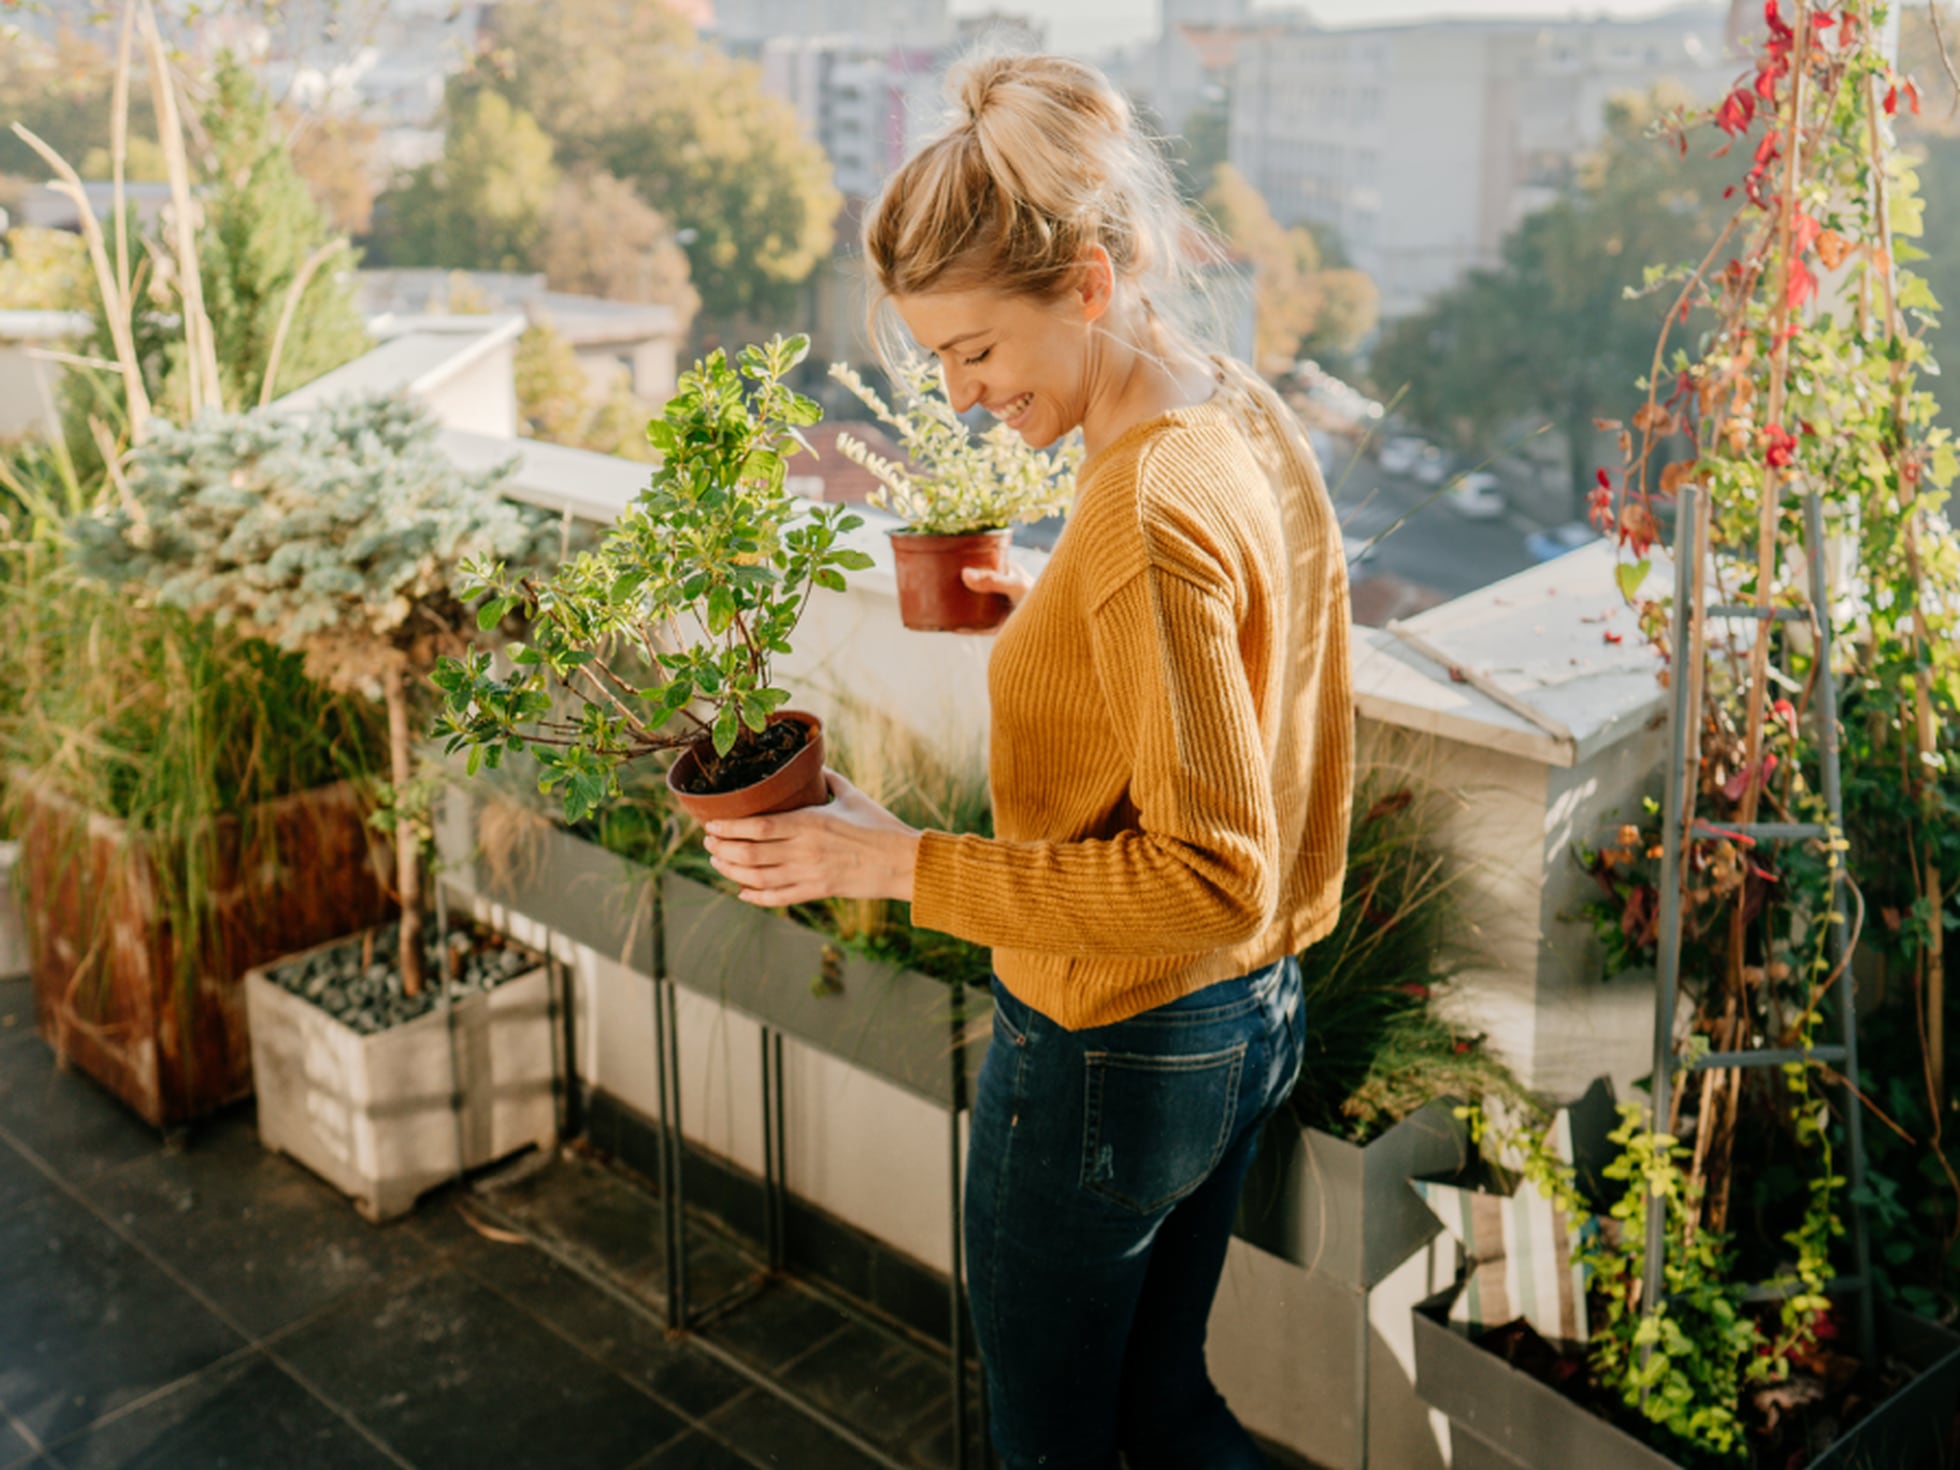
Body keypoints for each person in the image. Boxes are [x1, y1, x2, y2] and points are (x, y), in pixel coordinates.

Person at [698, 50, 1354, 1470]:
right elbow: (1249, 642)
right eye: (937, 360)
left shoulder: (1142, 516)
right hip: (1247, 1023)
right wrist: (1051, 606)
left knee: (1054, 1441)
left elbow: (1206, 874)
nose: (960, 392)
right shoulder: (1230, 406)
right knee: (1162, 1408)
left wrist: (890, 861)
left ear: (1093, 286)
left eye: (977, 351)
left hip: (1117, 1040)